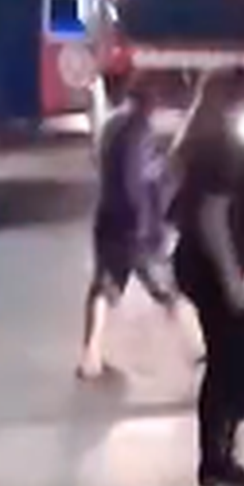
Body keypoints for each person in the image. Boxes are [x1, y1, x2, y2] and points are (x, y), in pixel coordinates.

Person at [170, 69, 244, 486]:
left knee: (227, 361)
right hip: (210, 268)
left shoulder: (206, 140)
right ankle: (219, 449)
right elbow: (211, 218)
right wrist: (232, 279)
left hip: (200, 265)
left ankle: (216, 457)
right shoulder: (221, 147)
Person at [77, 77, 179, 380]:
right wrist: (144, 222)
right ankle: (90, 358)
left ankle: (91, 354)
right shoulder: (137, 129)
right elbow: (135, 179)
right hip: (129, 221)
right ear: (149, 101)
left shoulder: (113, 125)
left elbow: (102, 162)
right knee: (122, 284)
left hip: (108, 214)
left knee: (111, 283)